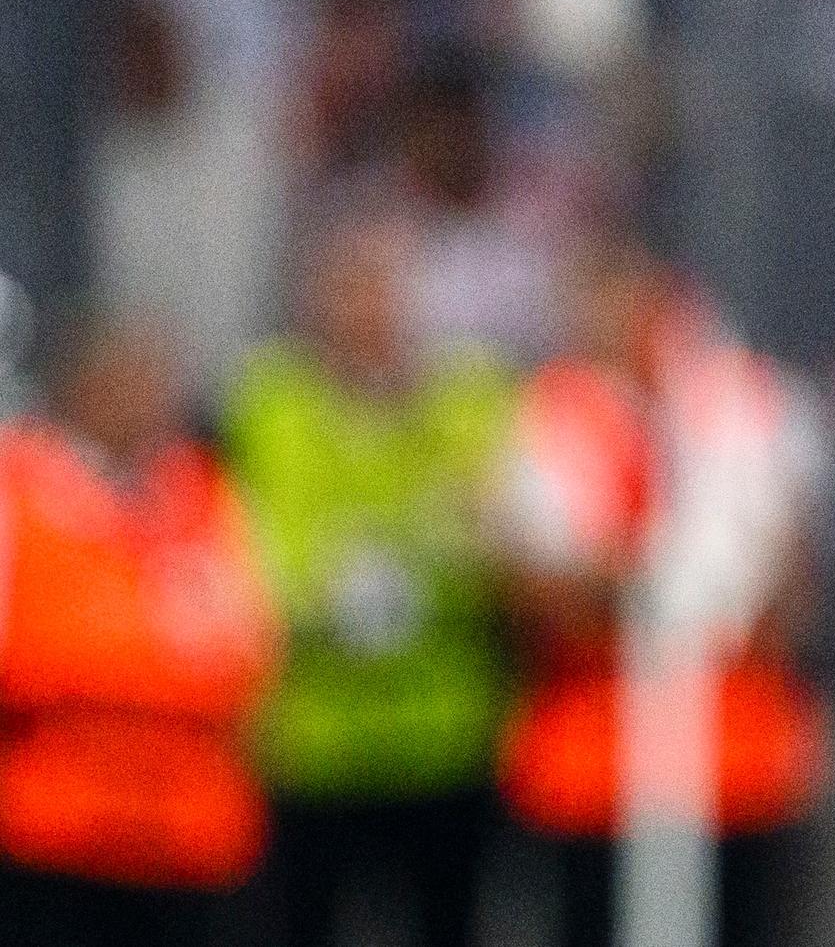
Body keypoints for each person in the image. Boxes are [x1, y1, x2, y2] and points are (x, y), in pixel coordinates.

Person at [496, 233, 827, 947]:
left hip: (736, 745)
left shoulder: (750, 404)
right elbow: (542, 592)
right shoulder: (554, 413)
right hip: (597, 753)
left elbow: (787, 584)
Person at [222, 216, 516, 947]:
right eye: (348, 289)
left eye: (383, 287)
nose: (368, 309)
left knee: (447, 920)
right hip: (316, 736)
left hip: (443, 729)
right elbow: (255, 549)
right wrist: (330, 589)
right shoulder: (271, 401)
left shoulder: (472, 397)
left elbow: (498, 538)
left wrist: (421, 574)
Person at [0, 313, 280, 947]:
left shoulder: (204, 493)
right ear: (81, 385)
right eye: (130, 379)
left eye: (161, 381)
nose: (153, 398)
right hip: (51, 834)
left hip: (190, 838)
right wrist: (138, 665)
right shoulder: (18, 484)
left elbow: (248, 654)